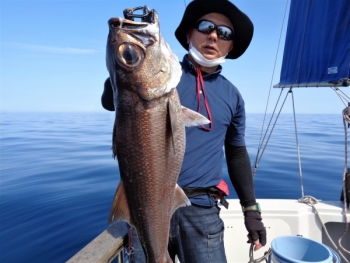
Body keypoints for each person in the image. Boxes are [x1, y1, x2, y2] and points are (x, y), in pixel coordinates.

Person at [101, 0, 266, 262]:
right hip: (145, 209)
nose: (213, 35)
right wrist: (126, 64)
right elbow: (111, 101)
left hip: (202, 212)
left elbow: (236, 154)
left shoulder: (232, 96)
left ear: (230, 45)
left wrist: (251, 210)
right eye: (205, 26)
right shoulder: (167, 75)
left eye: (224, 33)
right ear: (189, 34)